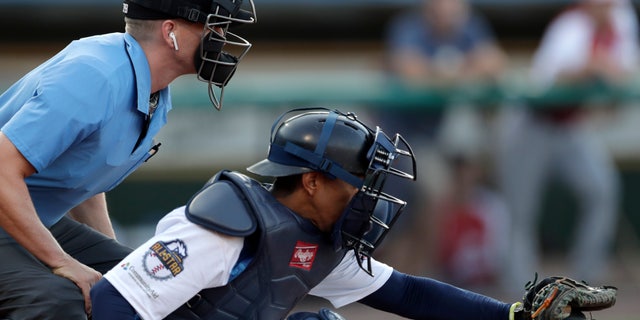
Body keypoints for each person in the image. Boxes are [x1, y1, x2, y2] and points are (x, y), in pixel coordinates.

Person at [91, 107, 567, 320]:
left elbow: (408, 294)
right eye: (358, 183)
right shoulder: (226, 225)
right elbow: (114, 302)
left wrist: (514, 315)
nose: (368, 197)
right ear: (312, 181)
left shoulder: (315, 237)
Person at [0, 0, 256, 318]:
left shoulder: (154, 89)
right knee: (57, 301)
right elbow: (1, 169)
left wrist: (120, 273)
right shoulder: (95, 75)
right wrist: (64, 263)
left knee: (152, 287)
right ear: (170, 31)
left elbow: (85, 180)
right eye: (213, 26)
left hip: (28, 217)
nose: (220, 36)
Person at [496, 0, 638, 292]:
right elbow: (546, 82)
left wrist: (602, 70)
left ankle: (585, 280)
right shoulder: (569, 25)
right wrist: (589, 68)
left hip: (569, 126)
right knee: (521, 211)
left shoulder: (622, 18)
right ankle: (521, 292)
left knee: (601, 190)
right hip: (531, 123)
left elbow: (624, 71)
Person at [379, 0, 507, 275]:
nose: (447, 12)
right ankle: (418, 275)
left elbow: (495, 63)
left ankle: (435, 270)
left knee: (471, 177)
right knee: (434, 191)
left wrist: (447, 72)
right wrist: (460, 71)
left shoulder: (469, 27)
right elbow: (410, 72)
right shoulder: (409, 27)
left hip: (440, 138)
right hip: (401, 138)